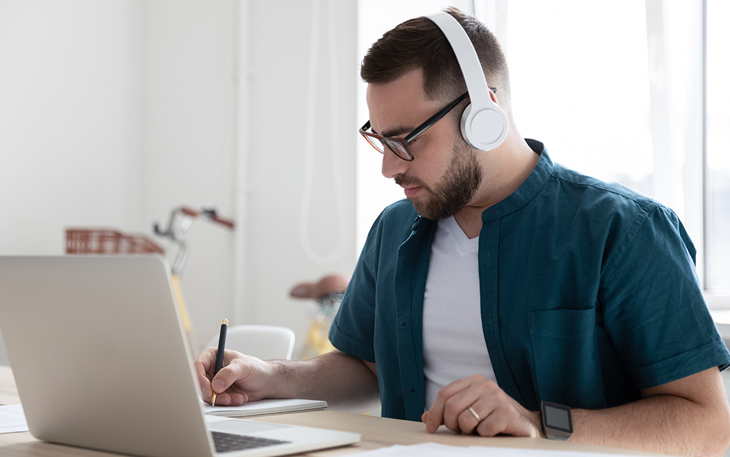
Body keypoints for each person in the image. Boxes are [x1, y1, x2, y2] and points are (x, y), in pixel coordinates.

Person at [195, 7, 730, 456]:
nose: (388, 167)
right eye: (379, 140)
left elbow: (707, 426)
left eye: (405, 140)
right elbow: (365, 366)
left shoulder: (624, 231)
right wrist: (272, 375)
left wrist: (541, 425)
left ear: (483, 114)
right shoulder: (395, 228)